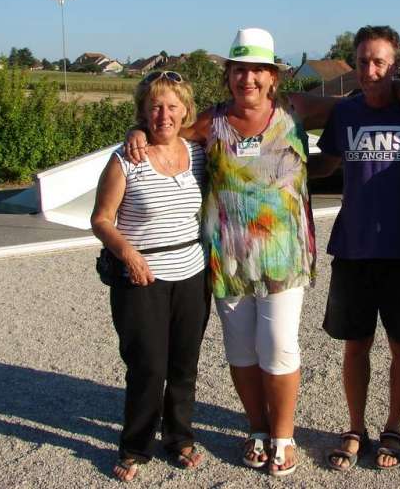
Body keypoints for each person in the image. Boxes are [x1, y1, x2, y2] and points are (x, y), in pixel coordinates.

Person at [124, 28, 343, 476]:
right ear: (228, 76)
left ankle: (284, 436)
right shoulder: (211, 122)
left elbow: (355, 107)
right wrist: (137, 130)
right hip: (228, 258)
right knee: (241, 351)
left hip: (283, 257)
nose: (249, 79)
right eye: (240, 70)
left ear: (273, 77)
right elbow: (166, 133)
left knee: (279, 346)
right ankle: (258, 429)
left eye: (258, 70)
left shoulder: (295, 109)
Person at [310, 25, 400, 471]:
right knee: (355, 346)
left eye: (380, 62)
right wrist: (272, 163)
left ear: (395, 64)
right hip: (353, 248)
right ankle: (355, 428)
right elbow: (325, 165)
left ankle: (393, 429)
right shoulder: (346, 114)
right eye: (364, 61)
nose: (371, 70)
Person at [91, 71, 208, 481]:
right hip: (141, 278)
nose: (164, 115)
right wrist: (128, 254)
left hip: (192, 274)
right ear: (143, 112)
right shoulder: (126, 159)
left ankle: (179, 437)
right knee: (147, 366)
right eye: (155, 107)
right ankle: (136, 446)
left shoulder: (198, 154)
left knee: (184, 364)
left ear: (185, 111)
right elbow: (101, 219)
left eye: (173, 106)